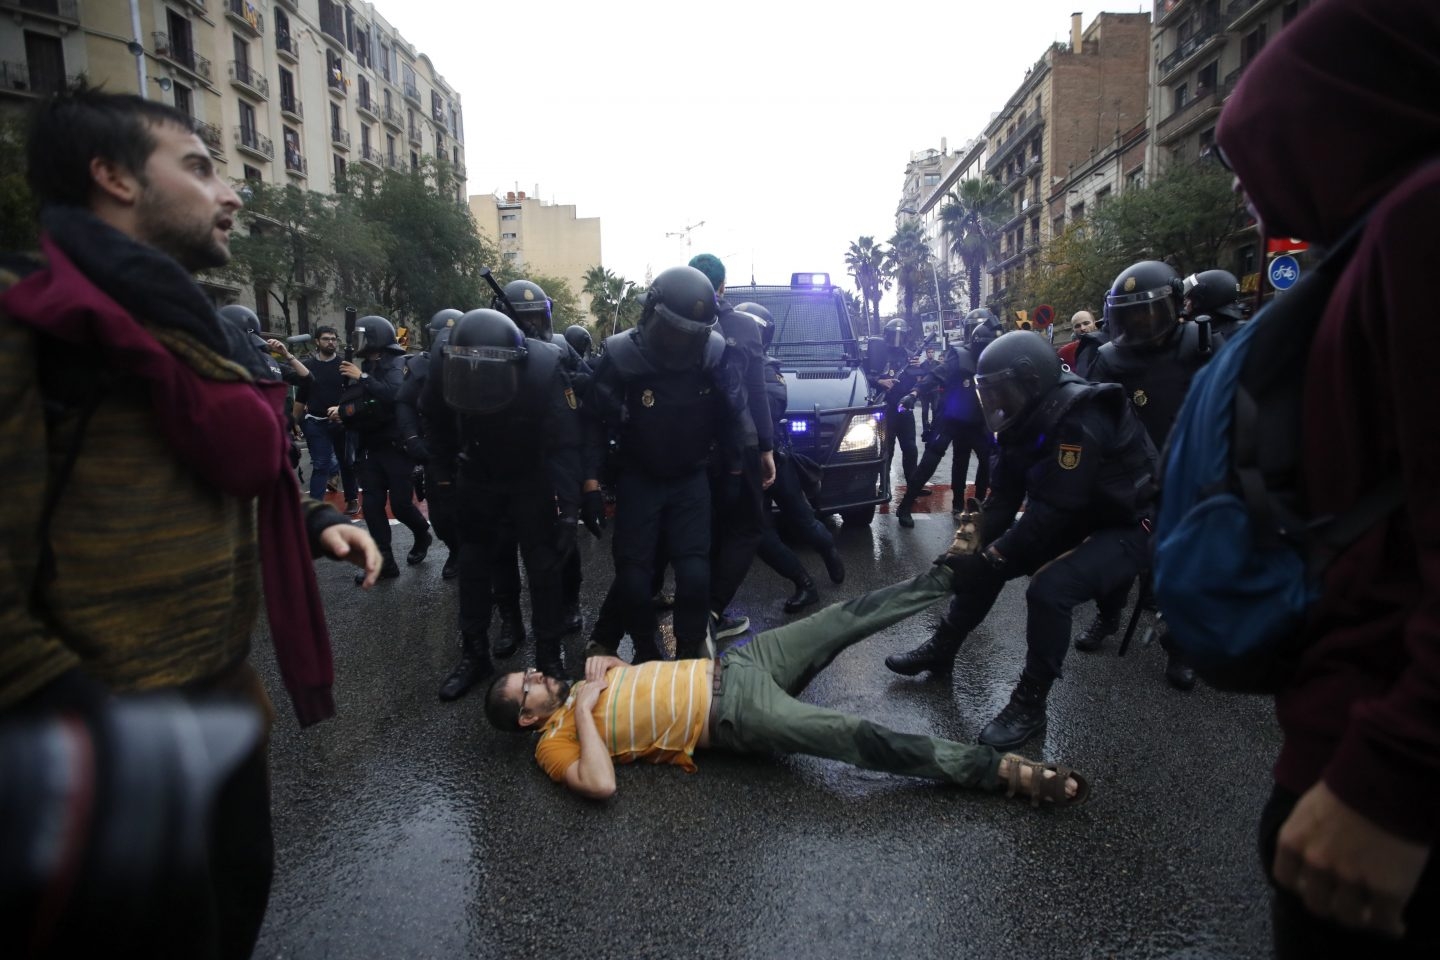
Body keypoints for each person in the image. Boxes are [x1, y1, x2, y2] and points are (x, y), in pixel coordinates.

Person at [0, 87, 380, 960]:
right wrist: (95, 734)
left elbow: (226, 466)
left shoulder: (186, 326)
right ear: (113, 178)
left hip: (217, 714)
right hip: (97, 748)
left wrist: (315, 513)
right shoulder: (31, 322)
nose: (231, 193)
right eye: (201, 169)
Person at [1216, 1, 1439, 953]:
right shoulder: (1367, 244)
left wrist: (1393, 778)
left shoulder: (1422, 221)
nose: (1251, 197)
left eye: (1258, 155)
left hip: (1380, 781)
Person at [483, 564, 1087, 809]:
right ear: (529, 719)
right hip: (734, 715)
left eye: (529, 673)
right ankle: (1000, 771)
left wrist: (604, 668)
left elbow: (628, 675)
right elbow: (602, 784)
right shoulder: (553, 743)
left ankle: (954, 572)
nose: (538, 676)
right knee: (860, 738)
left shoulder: (578, 683)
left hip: (741, 663)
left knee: (843, 618)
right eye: (527, 687)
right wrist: (584, 711)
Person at [885, 332, 1156, 751]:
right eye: (989, 392)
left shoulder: (1078, 419)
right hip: (1076, 511)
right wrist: (967, 547)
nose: (996, 402)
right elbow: (1005, 498)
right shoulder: (1021, 417)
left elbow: (1050, 515)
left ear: (1032, 381)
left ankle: (1030, 705)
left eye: (1003, 391)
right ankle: (943, 647)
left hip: (1127, 523)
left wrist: (992, 558)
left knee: (1050, 589)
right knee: (984, 564)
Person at [584, 265, 748, 662]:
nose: (677, 341)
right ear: (651, 314)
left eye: (687, 333)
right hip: (639, 478)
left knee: (694, 577)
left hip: (690, 478)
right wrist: (589, 483)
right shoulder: (622, 355)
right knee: (635, 580)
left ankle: (690, 652)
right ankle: (646, 650)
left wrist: (735, 471)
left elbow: (732, 416)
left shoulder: (713, 353)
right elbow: (591, 422)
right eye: (671, 329)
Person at [423, 308, 588, 698]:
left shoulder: (543, 370)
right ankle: (475, 652)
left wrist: (569, 509)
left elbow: (565, 442)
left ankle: (549, 654)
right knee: (474, 565)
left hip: (529, 477)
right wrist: (444, 478)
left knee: (543, 568)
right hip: (476, 474)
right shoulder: (443, 364)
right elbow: (436, 422)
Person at [1083, 259, 1220, 690]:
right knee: (1117, 555)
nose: (1139, 323)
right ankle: (1107, 617)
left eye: (1148, 311)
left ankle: (1180, 648)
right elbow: (1092, 421)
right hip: (1128, 477)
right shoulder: (1107, 358)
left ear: (1175, 306)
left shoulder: (1200, 345)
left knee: (1180, 571)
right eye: (1129, 313)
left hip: (1187, 474)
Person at [689, 253, 776, 640]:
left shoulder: (674, 324)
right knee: (747, 527)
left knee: (705, 530)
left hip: (693, 446)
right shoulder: (742, 324)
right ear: (723, 286)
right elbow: (756, 391)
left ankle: (697, 610)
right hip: (739, 444)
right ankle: (711, 610)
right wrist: (767, 447)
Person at [740, 301, 845, 612]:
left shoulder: (768, 369)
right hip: (744, 464)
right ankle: (804, 583)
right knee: (758, 533)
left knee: (803, 521)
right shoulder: (725, 363)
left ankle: (828, 551)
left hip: (775, 460)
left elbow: (771, 407)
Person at [339, 313, 432, 582]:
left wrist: (363, 377)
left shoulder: (397, 363)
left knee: (402, 505)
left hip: (395, 447)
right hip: (371, 447)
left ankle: (422, 533)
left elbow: (394, 395)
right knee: (372, 505)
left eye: (362, 335)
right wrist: (344, 410)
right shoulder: (366, 365)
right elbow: (361, 401)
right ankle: (385, 563)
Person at [895, 309, 1000, 528]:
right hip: (951, 418)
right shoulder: (959, 355)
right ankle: (905, 506)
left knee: (985, 461)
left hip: (979, 419)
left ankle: (975, 504)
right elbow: (936, 375)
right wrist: (914, 393)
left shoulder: (997, 358)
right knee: (930, 462)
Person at [394, 308, 464, 579]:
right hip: (436, 451)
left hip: (471, 447)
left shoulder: (477, 361)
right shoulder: (421, 366)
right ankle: (455, 549)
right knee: (441, 515)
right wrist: (412, 438)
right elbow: (403, 402)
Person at [286, 324, 361, 515]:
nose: (331, 342)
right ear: (317, 342)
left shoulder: (345, 366)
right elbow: (301, 397)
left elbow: (355, 394)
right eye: (327, 339)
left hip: (341, 422)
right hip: (315, 422)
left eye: (334, 339)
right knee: (320, 464)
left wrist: (345, 412)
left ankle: (351, 499)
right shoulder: (308, 367)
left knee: (346, 462)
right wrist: (293, 421)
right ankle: (315, 507)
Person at [869, 317, 921, 487]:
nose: (897, 340)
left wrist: (914, 389)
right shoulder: (879, 354)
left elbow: (921, 380)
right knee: (887, 450)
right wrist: (879, 381)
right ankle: (884, 485)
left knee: (911, 449)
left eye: (901, 336)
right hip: (886, 409)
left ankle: (913, 485)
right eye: (894, 335)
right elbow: (864, 375)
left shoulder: (911, 356)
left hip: (905, 408)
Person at [1181, 269, 1248, 341]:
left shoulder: (1212, 339)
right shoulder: (1244, 331)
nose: (1185, 304)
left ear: (1201, 301)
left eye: (1188, 299)